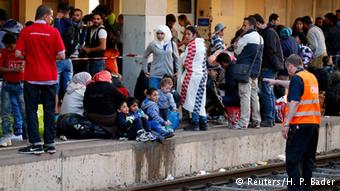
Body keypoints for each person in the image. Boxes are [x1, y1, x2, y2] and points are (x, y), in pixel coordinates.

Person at [264, 54, 320, 191]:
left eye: (287, 68)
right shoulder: (310, 77)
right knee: (307, 160)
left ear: (290, 65)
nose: (287, 71)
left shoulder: (297, 78)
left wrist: (286, 124)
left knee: (293, 161)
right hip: (313, 125)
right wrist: (276, 82)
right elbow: (294, 84)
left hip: (299, 124)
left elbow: (294, 102)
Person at [15, 5, 65, 154]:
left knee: (31, 110)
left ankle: (36, 143)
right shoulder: (54, 32)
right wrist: (49, 56)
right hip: (49, 78)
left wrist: (30, 56)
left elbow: (18, 54)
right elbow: (62, 55)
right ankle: (49, 143)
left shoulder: (26, 31)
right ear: (45, 16)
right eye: (51, 17)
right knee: (50, 110)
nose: (51, 19)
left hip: (31, 77)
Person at [232, 16, 263, 129]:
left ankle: (243, 121)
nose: (243, 27)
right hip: (255, 71)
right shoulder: (260, 38)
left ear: (251, 26)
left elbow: (237, 51)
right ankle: (256, 120)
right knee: (254, 95)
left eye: (245, 25)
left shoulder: (246, 37)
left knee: (245, 95)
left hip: (245, 71)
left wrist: (235, 46)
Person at [253, 13, 284, 127]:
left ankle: (268, 118)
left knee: (266, 92)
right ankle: (271, 117)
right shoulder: (267, 32)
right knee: (269, 92)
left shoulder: (269, 33)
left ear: (256, 24)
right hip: (271, 66)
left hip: (269, 67)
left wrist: (268, 65)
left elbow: (270, 51)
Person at [178, 26, 208, 131]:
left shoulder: (191, 46)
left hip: (193, 76)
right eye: (185, 34)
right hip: (203, 75)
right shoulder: (202, 45)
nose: (186, 36)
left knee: (193, 100)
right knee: (200, 99)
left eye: (188, 34)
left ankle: (195, 123)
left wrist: (181, 56)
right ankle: (203, 123)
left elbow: (185, 62)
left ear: (194, 35)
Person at [0, 33, 26, 147]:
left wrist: (22, 66)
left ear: (16, 44)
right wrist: (12, 70)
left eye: (11, 46)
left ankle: (28, 135)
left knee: (25, 111)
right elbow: (0, 67)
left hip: (20, 84)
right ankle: (6, 135)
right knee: (5, 112)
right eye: (7, 46)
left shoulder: (22, 52)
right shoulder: (5, 52)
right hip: (7, 84)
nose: (9, 49)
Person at [83, 70, 126, 138]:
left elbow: (85, 103)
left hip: (91, 117)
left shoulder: (89, 86)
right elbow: (122, 98)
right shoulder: (109, 86)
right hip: (108, 118)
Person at [143, 25, 179, 89]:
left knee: (166, 97)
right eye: (158, 33)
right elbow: (145, 56)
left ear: (166, 33)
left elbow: (176, 58)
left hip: (168, 75)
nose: (159, 36)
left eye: (162, 33)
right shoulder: (153, 44)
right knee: (154, 96)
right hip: (154, 75)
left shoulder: (172, 44)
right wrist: (145, 70)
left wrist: (178, 71)